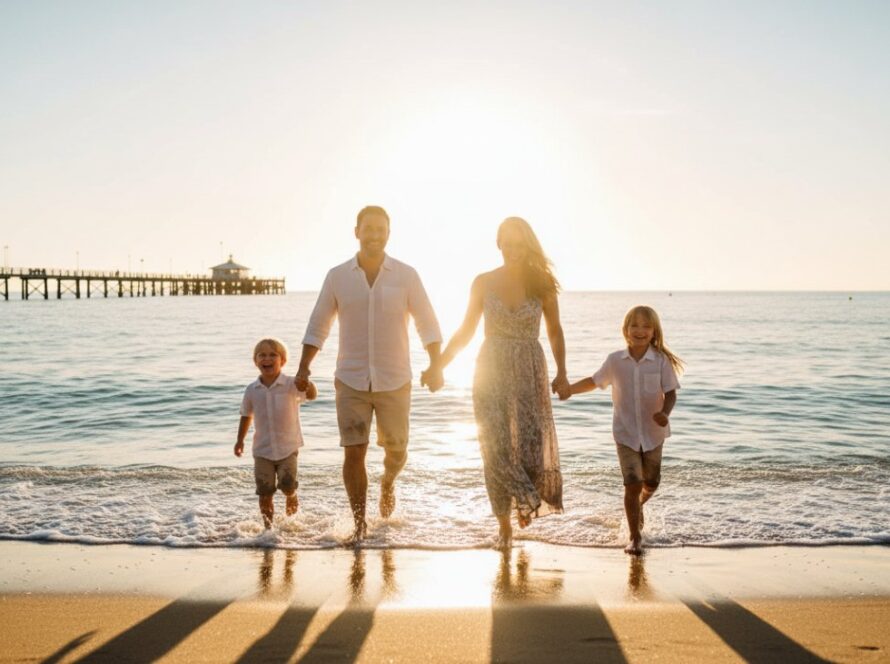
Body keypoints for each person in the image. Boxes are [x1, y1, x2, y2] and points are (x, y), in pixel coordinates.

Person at [296, 205, 442, 541]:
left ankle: (388, 482)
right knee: (354, 451)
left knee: (397, 450)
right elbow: (319, 323)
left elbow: (427, 320)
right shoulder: (337, 276)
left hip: (395, 379)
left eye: (381, 229)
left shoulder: (406, 275)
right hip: (351, 379)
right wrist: (304, 366)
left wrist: (435, 364)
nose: (374, 235)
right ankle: (360, 524)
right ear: (357, 231)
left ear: (388, 234)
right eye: (368, 228)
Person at [426, 217, 567, 549]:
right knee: (495, 448)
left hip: (531, 369)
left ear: (528, 245)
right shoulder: (483, 282)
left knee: (532, 447)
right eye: (507, 242)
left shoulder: (542, 283)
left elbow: (555, 330)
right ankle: (504, 523)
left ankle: (524, 500)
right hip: (490, 369)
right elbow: (465, 331)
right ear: (498, 243)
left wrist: (562, 372)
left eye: (520, 243)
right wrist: (438, 366)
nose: (513, 250)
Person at [562, 305, 683, 555]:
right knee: (632, 484)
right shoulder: (615, 361)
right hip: (625, 433)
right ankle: (634, 537)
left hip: (653, 434)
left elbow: (670, 393)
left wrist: (664, 414)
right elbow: (594, 382)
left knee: (651, 482)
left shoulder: (660, 361)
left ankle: (637, 507)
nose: (640, 330)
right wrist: (570, 389)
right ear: (626, 330)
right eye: (634, 325)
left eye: (646, 326)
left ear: (654, 331)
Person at [235, 338, 317, 528]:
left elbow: (311, 396)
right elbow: (246, 415)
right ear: (256, 361)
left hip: (288, 448)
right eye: (262, 355)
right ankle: (268, 530)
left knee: (288, 486)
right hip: (262, 450)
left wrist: (308, 384)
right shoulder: (252, 390)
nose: (267, 358)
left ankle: (291, 521)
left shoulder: (291, 384)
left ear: (283, 361)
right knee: (265, 491)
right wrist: (240, 440)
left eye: (273, 355)